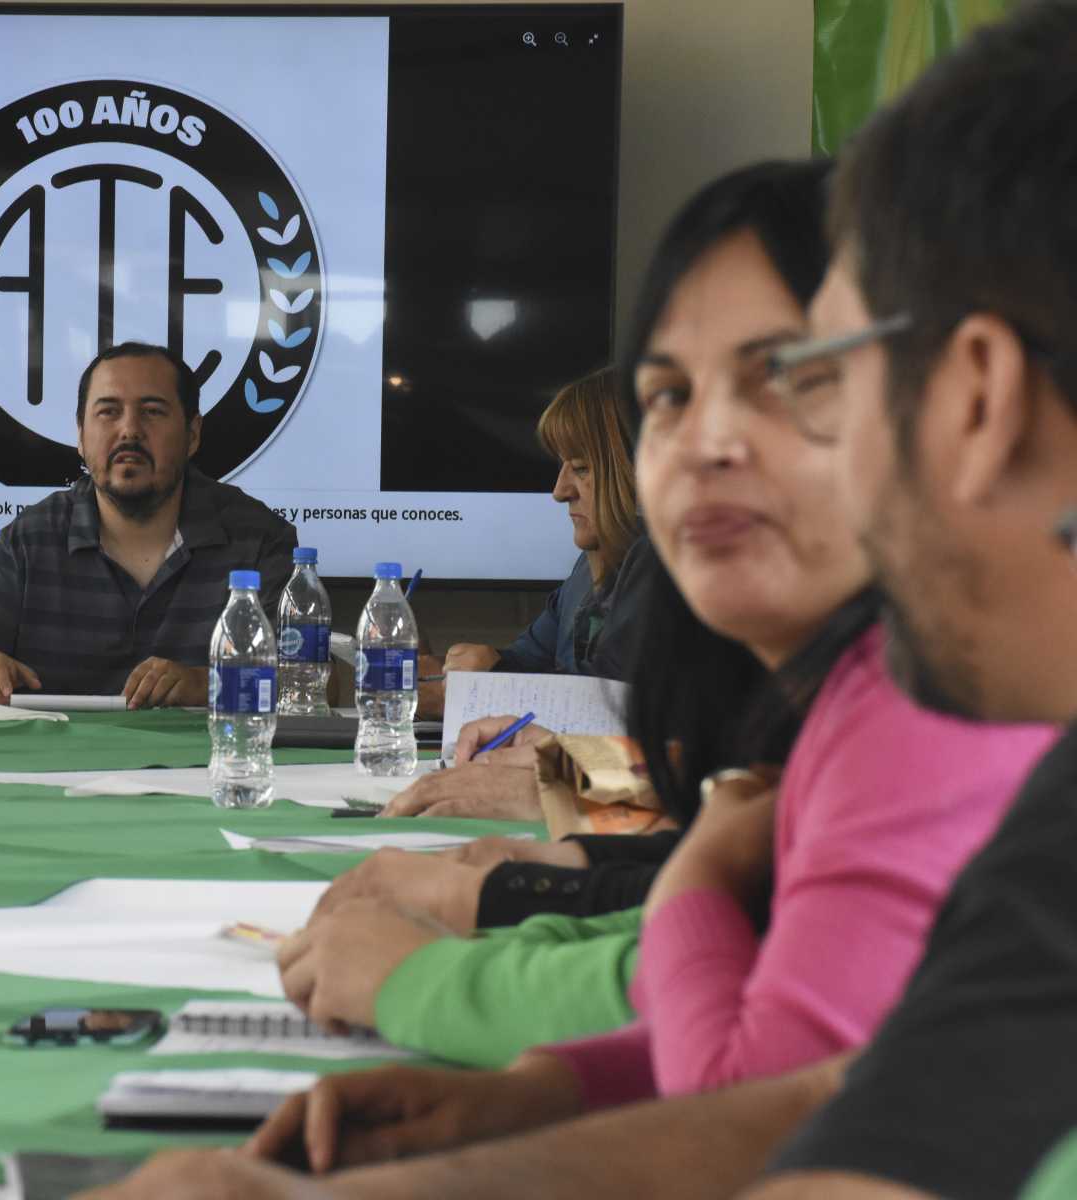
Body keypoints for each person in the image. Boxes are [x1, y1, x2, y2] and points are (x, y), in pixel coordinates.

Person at [79, 5, 1077, 1196]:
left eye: (807, 375)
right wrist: (549, 1081)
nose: (707, 447)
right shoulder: (633, 588)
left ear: (977, 396)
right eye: (663, 401)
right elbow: (863, 1086)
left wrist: (502, 882)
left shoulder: (910, 707)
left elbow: (656, 809)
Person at [260, 158, 1051, 1097]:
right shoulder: (611, 581)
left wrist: (539, 819)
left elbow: (683, 809)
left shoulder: (933, 689)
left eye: (787, 379)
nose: (711, 442)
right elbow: (717, 838)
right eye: (671, 396)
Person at [0, 342, 297, 707]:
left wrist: (205, 684)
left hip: (206, 769)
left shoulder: (257, 538)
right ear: (80, 437)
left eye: (153, 412)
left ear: (192, 435)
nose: (129, 431)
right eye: (108, 412)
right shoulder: (31, 540)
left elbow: (317, 681)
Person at [422, 366, 650, 702]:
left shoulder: (661, 570)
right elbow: (525, 663)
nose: (559, 491)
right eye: (562, 466)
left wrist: (483, 689)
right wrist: (445, 672)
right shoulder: (587, 570)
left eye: (582, 468)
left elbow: (606, 714)